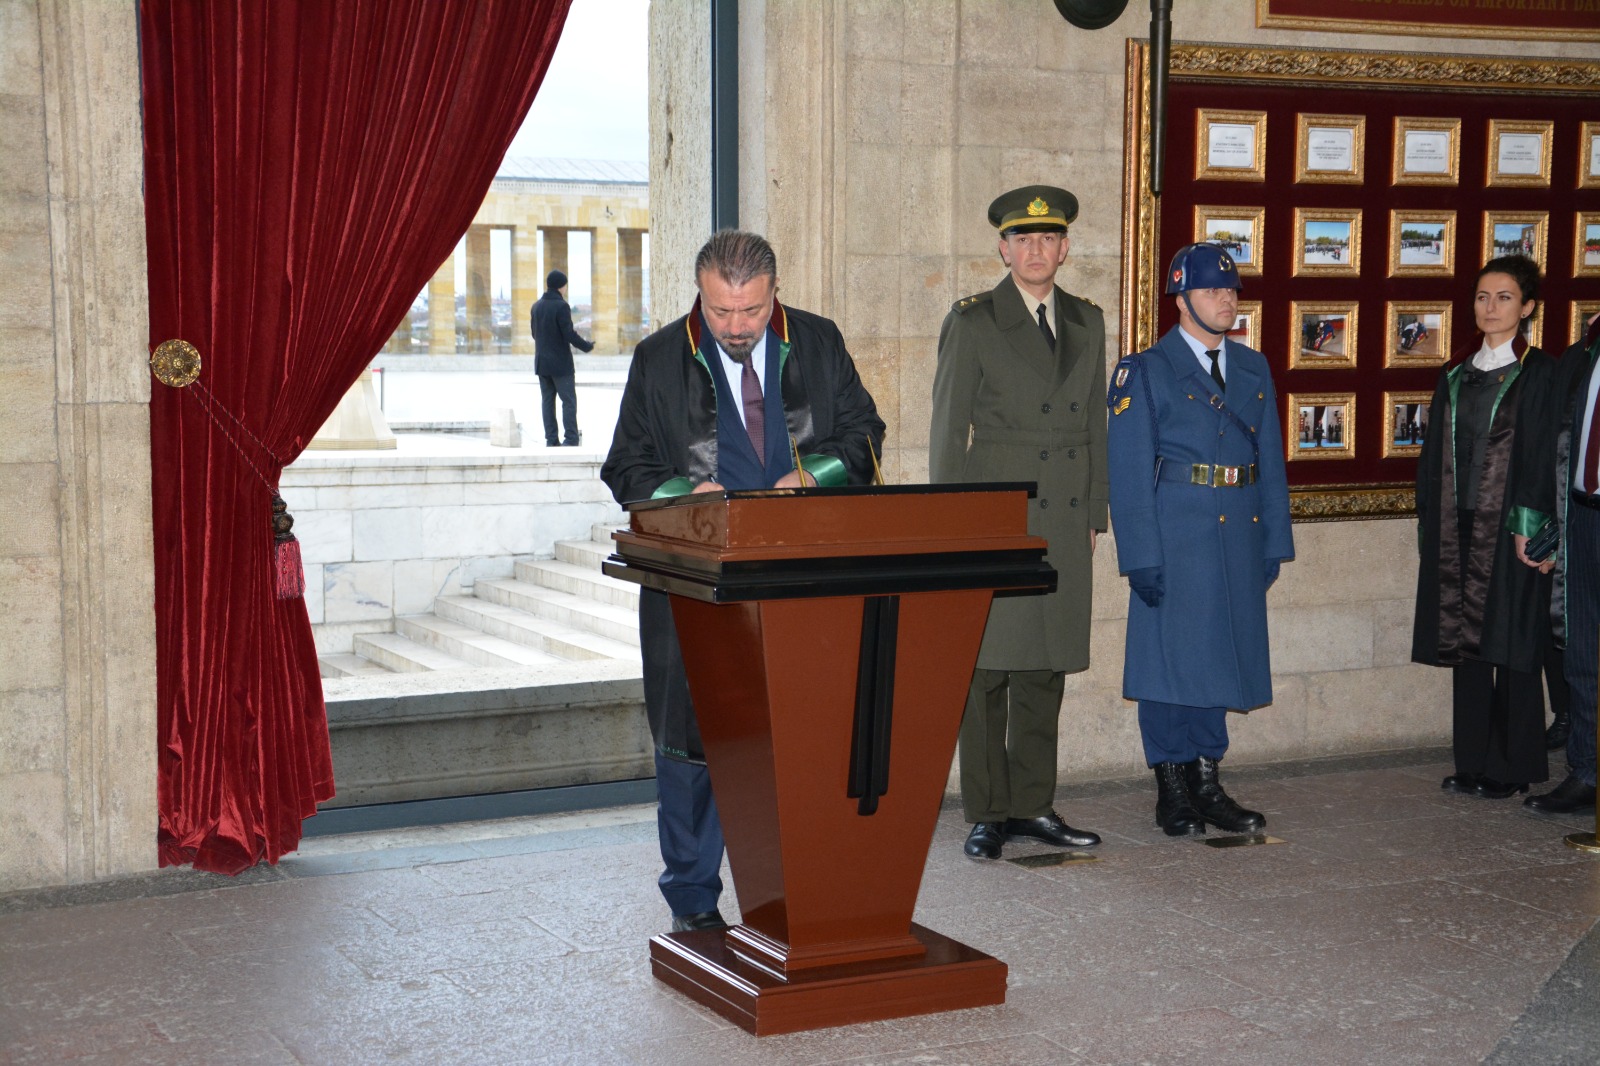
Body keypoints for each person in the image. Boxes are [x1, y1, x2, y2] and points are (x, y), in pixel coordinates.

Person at [600, 230, 885, 930]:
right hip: (696, 585)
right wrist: (689, 496)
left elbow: (864, 434)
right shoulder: (659, 358)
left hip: (802, 579)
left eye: (750, 312)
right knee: (693, 744)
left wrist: (808, 476)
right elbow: (625, 468)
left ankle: (800, 887)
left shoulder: (818, 342)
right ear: (701, 292)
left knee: (804, 740)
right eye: (721, 311)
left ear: (773, 294)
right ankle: (694, 902)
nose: (734, 327)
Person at [929, 184, 1107, 861]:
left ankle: (1034, 805)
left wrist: (1095, 512)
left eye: (1048, 239)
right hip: (995, 512)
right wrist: (949, 529)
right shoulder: (973, 321)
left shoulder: (1088, 322)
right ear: (1004, 249)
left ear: (1064, 249)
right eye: (1022, 239)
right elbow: (948, 430)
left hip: (1062, 516)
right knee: (986, 671)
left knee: (1045, 668)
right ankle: (988, 810)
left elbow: (1094, 423)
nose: (1036, 250)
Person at [1106, 243, 1293, 836]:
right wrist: (1139, 556)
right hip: (1175, 534)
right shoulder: (1146, 370)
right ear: (1181, 299)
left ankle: (1208, 780)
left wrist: (1273, 542)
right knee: (1167, 662)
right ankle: (1172, 786)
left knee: (1219, 655)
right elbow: (1129, 472)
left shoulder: (1252, 367)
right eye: (1214, 291)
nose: (1227, 300)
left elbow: (1269, 458)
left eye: (1232, 291)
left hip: (1237, 533)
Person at [1413, 256, 1554, 801]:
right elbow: (1431, 460)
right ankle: (1471, 759)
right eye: (1482, 297)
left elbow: (1543, 456)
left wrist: (1532, 527)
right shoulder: (1454, 373)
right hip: (1460, 523)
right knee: (1464, 643)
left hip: (1512, 528)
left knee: (1513, 643)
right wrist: (1433, 524)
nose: (1490, 308)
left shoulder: (1539, 373)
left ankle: (1514, 765)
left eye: (1503, 297)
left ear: (1528, 307)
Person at [1520, 312, 1600, 814]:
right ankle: (1587, 771)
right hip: (1585, 516)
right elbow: (1556, 441)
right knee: (1584, 654)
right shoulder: (1583, 352)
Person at [532, 269, 594, 447]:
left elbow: (534, 334)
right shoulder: (561, 306)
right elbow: (569, 334)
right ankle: (571, 438)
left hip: (542, 363)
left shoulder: (536, 306)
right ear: (562, 286)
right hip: (560, 364)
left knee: (547, 402)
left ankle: (551, 440)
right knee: (568, 401)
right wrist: (586, 346)